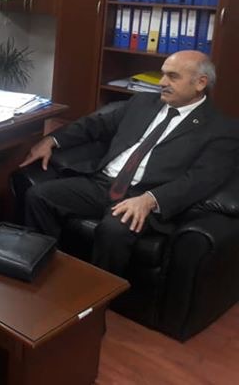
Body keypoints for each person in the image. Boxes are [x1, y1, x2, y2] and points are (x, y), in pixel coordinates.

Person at [20, 50, 239, 277]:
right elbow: (95, 125)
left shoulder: (220, 129)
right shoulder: (142, 102)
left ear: (200, 83)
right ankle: (44, 272)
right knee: (39, 195)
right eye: (163, 74)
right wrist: (51, 140)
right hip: (102, 183)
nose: (162, 83)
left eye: (173, 77)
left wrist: (150, 199)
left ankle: (97, 292)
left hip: (145, 196)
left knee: (114, 230)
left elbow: (200, 179)